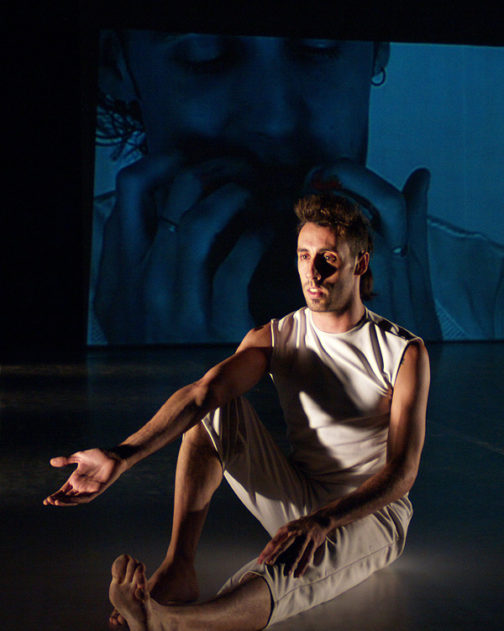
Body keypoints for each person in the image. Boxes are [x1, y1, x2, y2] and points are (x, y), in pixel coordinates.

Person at [46, 194, 430, 630]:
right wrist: (121, 455)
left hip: (368, 514)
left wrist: (324, 520)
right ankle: (179, 567)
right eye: (304, 256)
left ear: (360, 264)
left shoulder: (402, 351)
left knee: (289, 566)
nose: (313, 272)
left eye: (328, 259)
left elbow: (402, 473)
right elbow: (202, 394)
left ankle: (168, 624)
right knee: (215, 410)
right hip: (300, 495)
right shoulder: (277, 336)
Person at [90, 31, 445, 345]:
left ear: (378, 48)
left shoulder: (478, 290)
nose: (276, 121)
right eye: (205, 54)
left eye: (318, 45)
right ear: (114, 64)